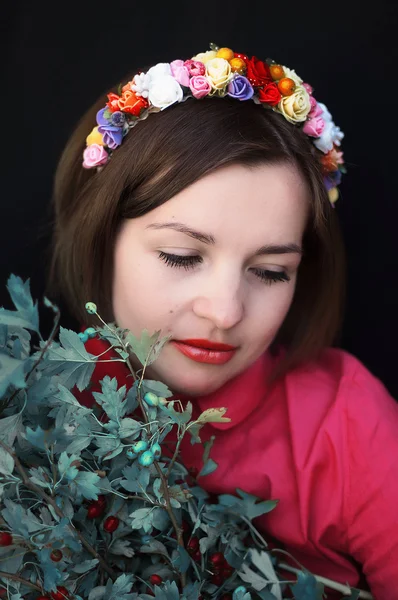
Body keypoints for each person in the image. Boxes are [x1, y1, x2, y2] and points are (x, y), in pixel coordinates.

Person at [46, 44, 398, 599]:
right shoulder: (35, 408)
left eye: (271, 271)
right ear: (103, 238)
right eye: (182, 258)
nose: (226, 311)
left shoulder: (345, 424)